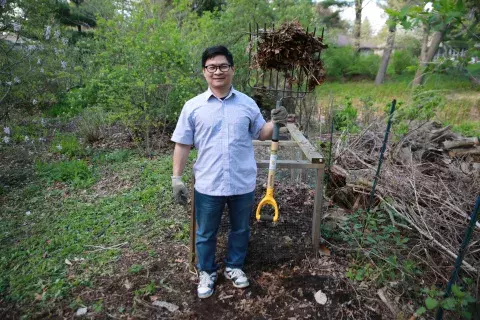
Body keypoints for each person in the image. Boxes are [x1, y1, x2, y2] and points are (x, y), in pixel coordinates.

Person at [171, 45, 287, 299]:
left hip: (241, 181)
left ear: (233, 70)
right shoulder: (192, 107)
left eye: (223, 66)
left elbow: (262, 133)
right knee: (205, 232)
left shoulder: (247, 103)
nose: (218, 71)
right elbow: (182, 144)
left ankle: (234, 267)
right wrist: (176, 178)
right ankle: (207, 271)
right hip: (208, 183)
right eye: (211, 67)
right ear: (204, 72)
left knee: (240, 229)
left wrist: (275, 122)